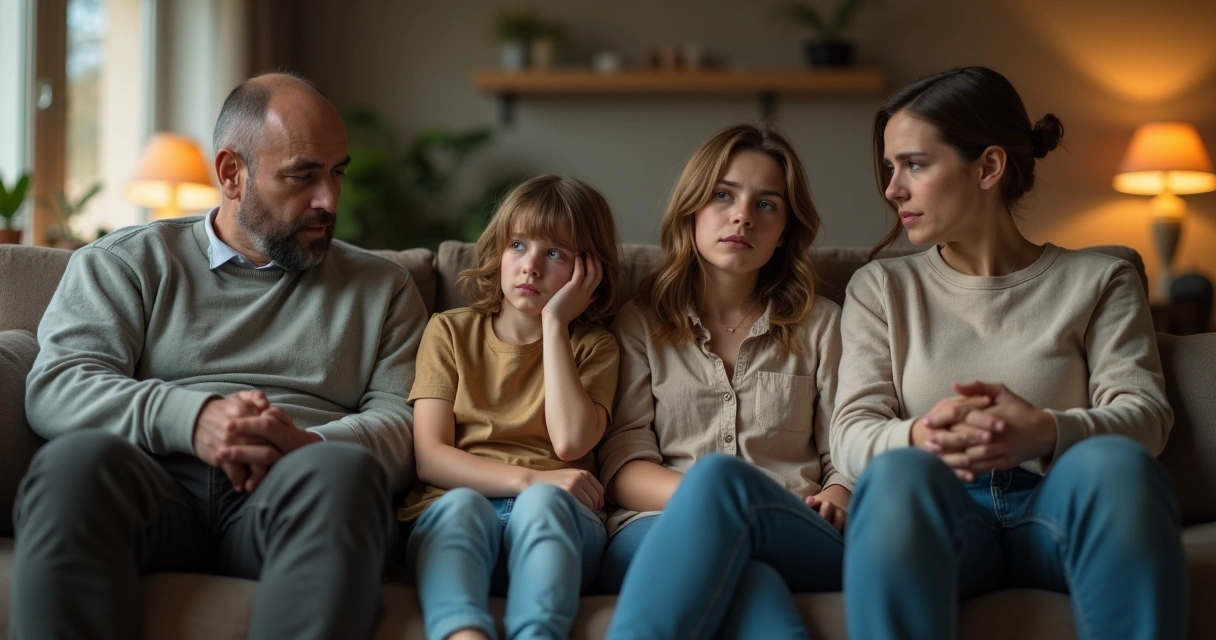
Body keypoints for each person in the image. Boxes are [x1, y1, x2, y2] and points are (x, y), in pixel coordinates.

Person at [11, 72, 428, 639]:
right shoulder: (127, 263)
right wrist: (195, 419)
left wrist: (308, 444)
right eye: (303, 176)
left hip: (297, 491)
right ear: (232, 173)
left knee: (344, 472)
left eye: (337, 173)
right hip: (157, 485)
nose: (329, 200)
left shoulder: (385, 288)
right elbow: (59, 383)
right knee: (73, 466)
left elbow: (409, 425)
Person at [831, 66, 1186, 639]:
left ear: (989, 167)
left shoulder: (1100, 279)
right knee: (896, 474)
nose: (893, 188)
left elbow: (1146, 418)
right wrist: (923, 437)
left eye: (914, 165)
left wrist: (1043, 431)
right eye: (891, 168)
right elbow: (849, 432)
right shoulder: (880, 288)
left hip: (1056, 512)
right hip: (943, 518)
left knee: (1119, 464)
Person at [600, 124, 849, 640]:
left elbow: (843, 454)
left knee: (737, 524)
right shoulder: (639, 323)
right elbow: (624, 466)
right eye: (723, 195)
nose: (742, 216)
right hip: (654, 527)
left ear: (785, 229)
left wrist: (841, 491)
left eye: (767, 204)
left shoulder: (824, 324)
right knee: (749, 576)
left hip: (791, 527)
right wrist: (717, 500)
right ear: (691, 209)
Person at [400, 174, 622, 640]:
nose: (531, 267)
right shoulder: (450, 332)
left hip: (559, 526)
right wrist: (529, 479)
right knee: (462, 507)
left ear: (590, 273)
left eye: (555, 253)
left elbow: (571, 441)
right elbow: (431, 456)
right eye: (518, 245)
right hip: (456, 513)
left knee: (543, 502)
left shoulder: (594, 347)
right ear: (498, 252)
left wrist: (555, 324)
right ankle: (463, 634)